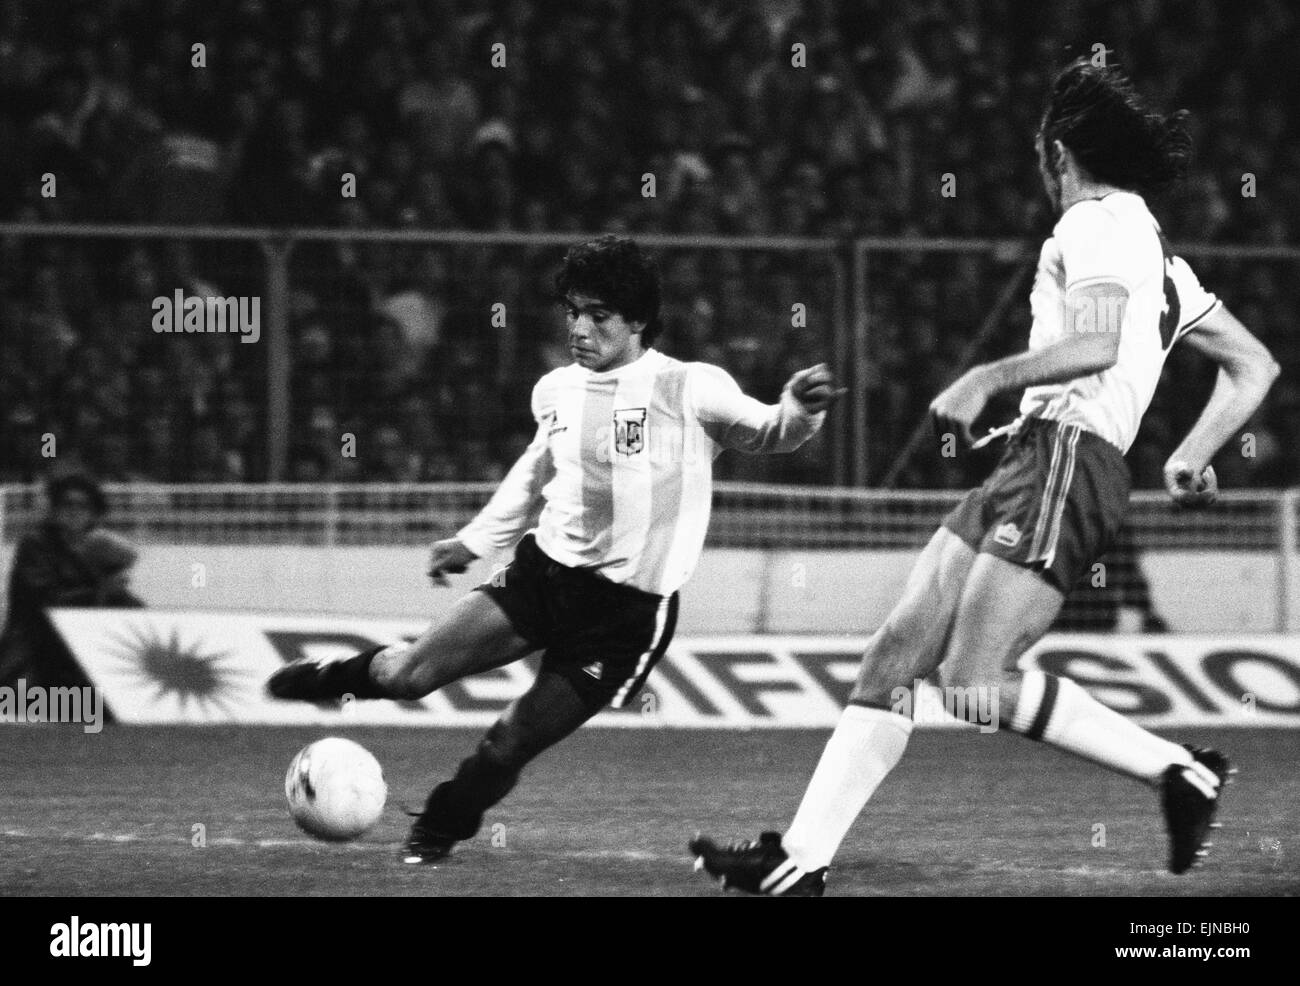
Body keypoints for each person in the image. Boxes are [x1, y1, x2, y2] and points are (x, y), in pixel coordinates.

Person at [691, 60, 1280, 896]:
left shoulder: (1097, 222)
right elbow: (1254, 365)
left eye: (1041, 151)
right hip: (1037, 457)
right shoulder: (1162, 259)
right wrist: (1191, 455)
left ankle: (1179, 770)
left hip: (1067, 458)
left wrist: (984, 378)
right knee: (894, 658)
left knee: (971, 683)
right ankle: (800, 860)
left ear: (1059, 151)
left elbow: (1100, 344)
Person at [267, 235, 844, 863]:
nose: (580, 328)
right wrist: (473, 540)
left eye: (599, 316)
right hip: (543, 575)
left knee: (509, 741)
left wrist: (799, 409)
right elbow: (534, 472)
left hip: (622, 618)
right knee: (409, 675)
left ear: (639, 323)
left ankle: (439, 826)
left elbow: (768, 434)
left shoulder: (689, 388)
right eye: (573, 312)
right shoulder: (556, 390)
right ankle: (330, 680)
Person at [0, 473, 143, 690]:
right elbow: (43, 602)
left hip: (81, 645)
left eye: (83, 505)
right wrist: (99, 591)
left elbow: (119, 598)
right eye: (67, 503)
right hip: (38, 647)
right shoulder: (35, 545)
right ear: (54, 510)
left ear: (94, 514)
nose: (74, 510)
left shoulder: (98, 549)